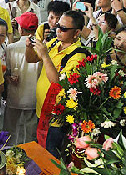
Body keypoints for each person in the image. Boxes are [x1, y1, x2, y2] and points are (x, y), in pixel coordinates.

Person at [26, 10, 87, 158]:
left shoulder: (78, 55)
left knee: (51, 151)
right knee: (41, 147)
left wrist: (45, 55)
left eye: (64, 29)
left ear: (77, 32)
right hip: (42, 106)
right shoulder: (54, 42)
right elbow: (31, 59)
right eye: (58, 26)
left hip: (56, 113)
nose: (58, 30)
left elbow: (57, 82)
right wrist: (29, 47)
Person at [4, 12, 40, 145]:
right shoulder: (41, 47)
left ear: (20, 29)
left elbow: (6, 71)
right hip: (33, 97)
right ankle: (28, 158)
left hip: (15, 96)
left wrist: (9, 78)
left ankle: (9, 157)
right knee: (30, 132)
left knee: (10, 130)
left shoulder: (11, 48)